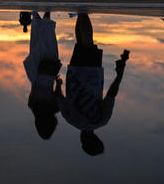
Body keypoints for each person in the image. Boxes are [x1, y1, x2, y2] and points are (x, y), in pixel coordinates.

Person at [55, 13, 130, 156]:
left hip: (92, 76)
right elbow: (60, 98)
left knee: (88, 43)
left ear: (96, 138)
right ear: (83, 141)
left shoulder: (101, 121)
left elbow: (111, 95)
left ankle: (83, 11)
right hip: (74, 76)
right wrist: (58, 83)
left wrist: (119, 75)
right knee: (80, 43)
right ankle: (80, 12)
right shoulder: (72, 120)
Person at [24, 11, 61, 140]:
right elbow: (34, 89)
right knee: (37, 43)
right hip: (37, 73)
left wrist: (59, 82)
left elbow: (57, 92)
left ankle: (47, 12)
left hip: (50, 72)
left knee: (48, 41)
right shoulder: (33, 105)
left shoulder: (54, 108)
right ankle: (36, 15)